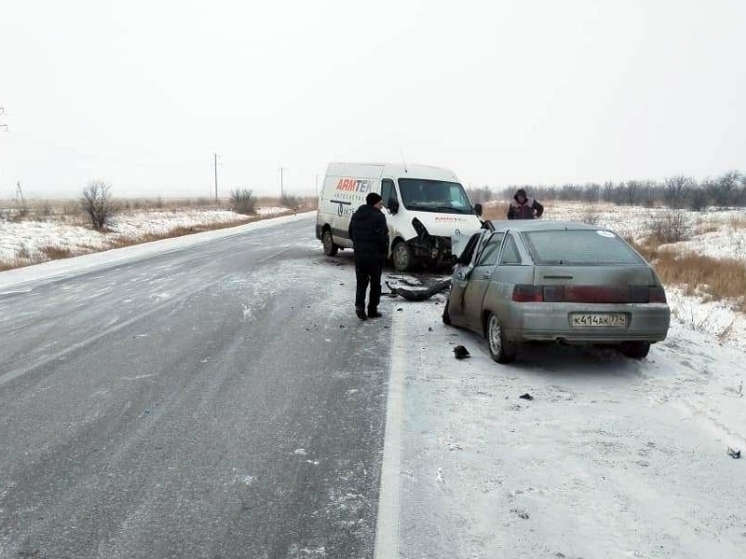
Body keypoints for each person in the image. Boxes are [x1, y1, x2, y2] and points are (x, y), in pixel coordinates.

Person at [348, 192, 389, 320]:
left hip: (360, 256)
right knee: (375, 284)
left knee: (361, 283)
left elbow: (350, 233)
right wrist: (384, 252)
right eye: (380, 203)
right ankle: (372, 309)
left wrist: (359, 245)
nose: (382, 206)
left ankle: (359, 307)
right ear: (374, 203)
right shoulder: (379, 217)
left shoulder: (356, 215)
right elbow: (383, 237)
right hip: (375, 257)